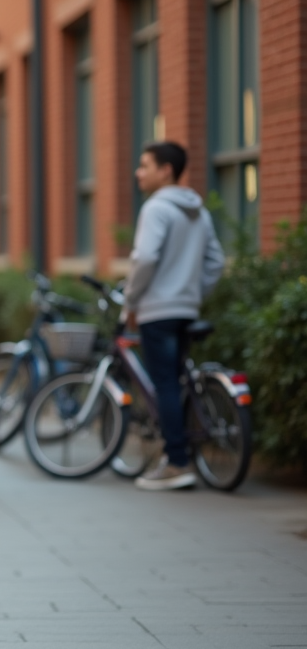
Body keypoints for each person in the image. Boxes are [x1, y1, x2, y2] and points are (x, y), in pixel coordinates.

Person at [126, 140, 225, 491]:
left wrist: (130, 300)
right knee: (177, 381)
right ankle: (182, 450)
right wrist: (193, 294)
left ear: (166, 170)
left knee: (165, 384)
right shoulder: (197, 210)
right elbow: (216, 262)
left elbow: (146, 258)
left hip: (158, 310)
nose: (138, 173)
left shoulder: (156, 208)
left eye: (145, 165)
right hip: (186, 309)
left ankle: (177, 462)